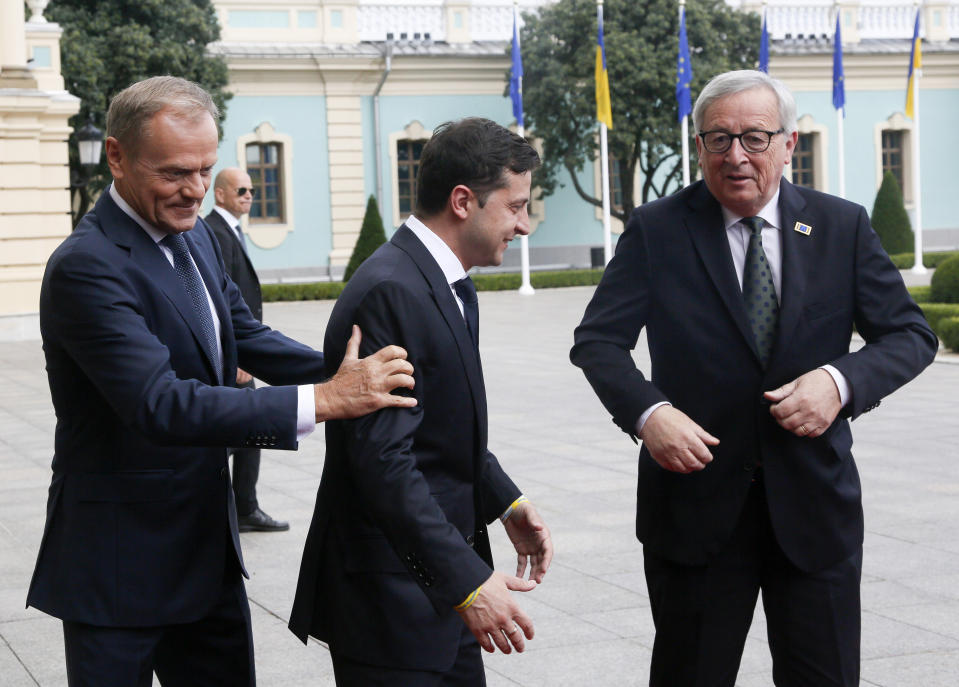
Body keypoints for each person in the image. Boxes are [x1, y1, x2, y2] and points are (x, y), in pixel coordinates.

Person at [26, 76, 416, 687]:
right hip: (120, 563)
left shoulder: (196, 235)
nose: (197, 190)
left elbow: (244, 334)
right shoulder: (86, 266)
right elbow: (160, 404)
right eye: (175, 172)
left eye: (206, 169)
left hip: (206, 553)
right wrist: (324, 399)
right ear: (117, 155)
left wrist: (340, 370)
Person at [570, 70, 938, 687]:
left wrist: (838, 382)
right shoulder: (657, 230)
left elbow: (910, 335)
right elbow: (598, 343)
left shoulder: (840, 227)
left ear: (789, 144)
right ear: (699, 147)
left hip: (814, 511)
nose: (736, 155)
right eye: (718, 139)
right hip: (695, 510)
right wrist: (649, 414)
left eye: (755, 138)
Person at [290, 117, 553, 685]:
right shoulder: (393, 289)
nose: (524, 225)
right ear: (464, 201)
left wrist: (506, 503)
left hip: (439, 594)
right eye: (515, 206)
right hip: (393, 604)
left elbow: (441, 427)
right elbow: (384, 461)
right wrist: (466, 583)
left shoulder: (447, 280)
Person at [206, 167, 286, 532]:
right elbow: (216, 301)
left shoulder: (231, 230)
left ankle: (244, 507)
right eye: (241, 190)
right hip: (234, 357)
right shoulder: (214, 232)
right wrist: (235, 356)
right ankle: (229, 507)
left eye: (252, 190)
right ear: (220, 195)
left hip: (242, 352)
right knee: (236, 432)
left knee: (249, 433)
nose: (249, 196)